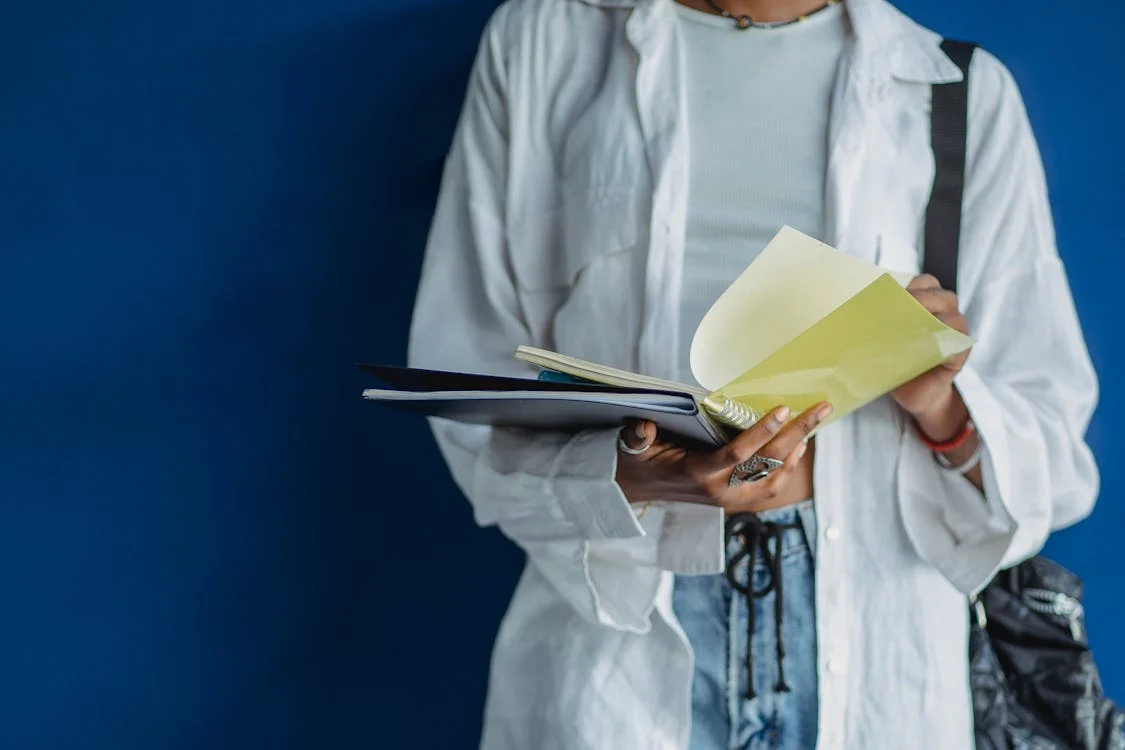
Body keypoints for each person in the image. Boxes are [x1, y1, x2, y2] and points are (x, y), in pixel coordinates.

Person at [407, 0, 1100, 747]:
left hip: (875, 642)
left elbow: (1052, 463)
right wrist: (633, 477)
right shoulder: (543, 45)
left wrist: (944, 409)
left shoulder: (957, 91)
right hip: (618, 631)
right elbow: (467, 384)